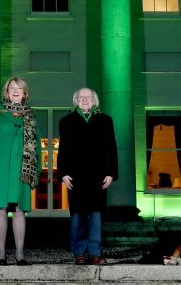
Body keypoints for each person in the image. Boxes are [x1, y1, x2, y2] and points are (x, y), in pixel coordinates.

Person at [0, 77, 39, 266]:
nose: (15, 91)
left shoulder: (30, 115)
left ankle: (20, 255)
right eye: (12, 88)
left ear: (24, 92)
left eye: (19, 88)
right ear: (7, 91)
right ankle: (1, 254)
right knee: (0, 209)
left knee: (20, 210)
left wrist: (35, 171)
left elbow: (36, 146)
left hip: (22, 169)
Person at [57, 88, 118, 265]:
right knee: (77, 215)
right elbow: (63, 149)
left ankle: (95, 253)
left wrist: (110, 173)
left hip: (98, 175)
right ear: (75, 101)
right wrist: (63, 173)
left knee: (96, 215)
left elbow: (111, 148)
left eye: (89, 97)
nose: (85, 99)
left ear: (95, 101)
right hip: (75, 176)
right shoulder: (66, 121)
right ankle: (79, 253)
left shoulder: (105, 120)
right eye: (81, 97)